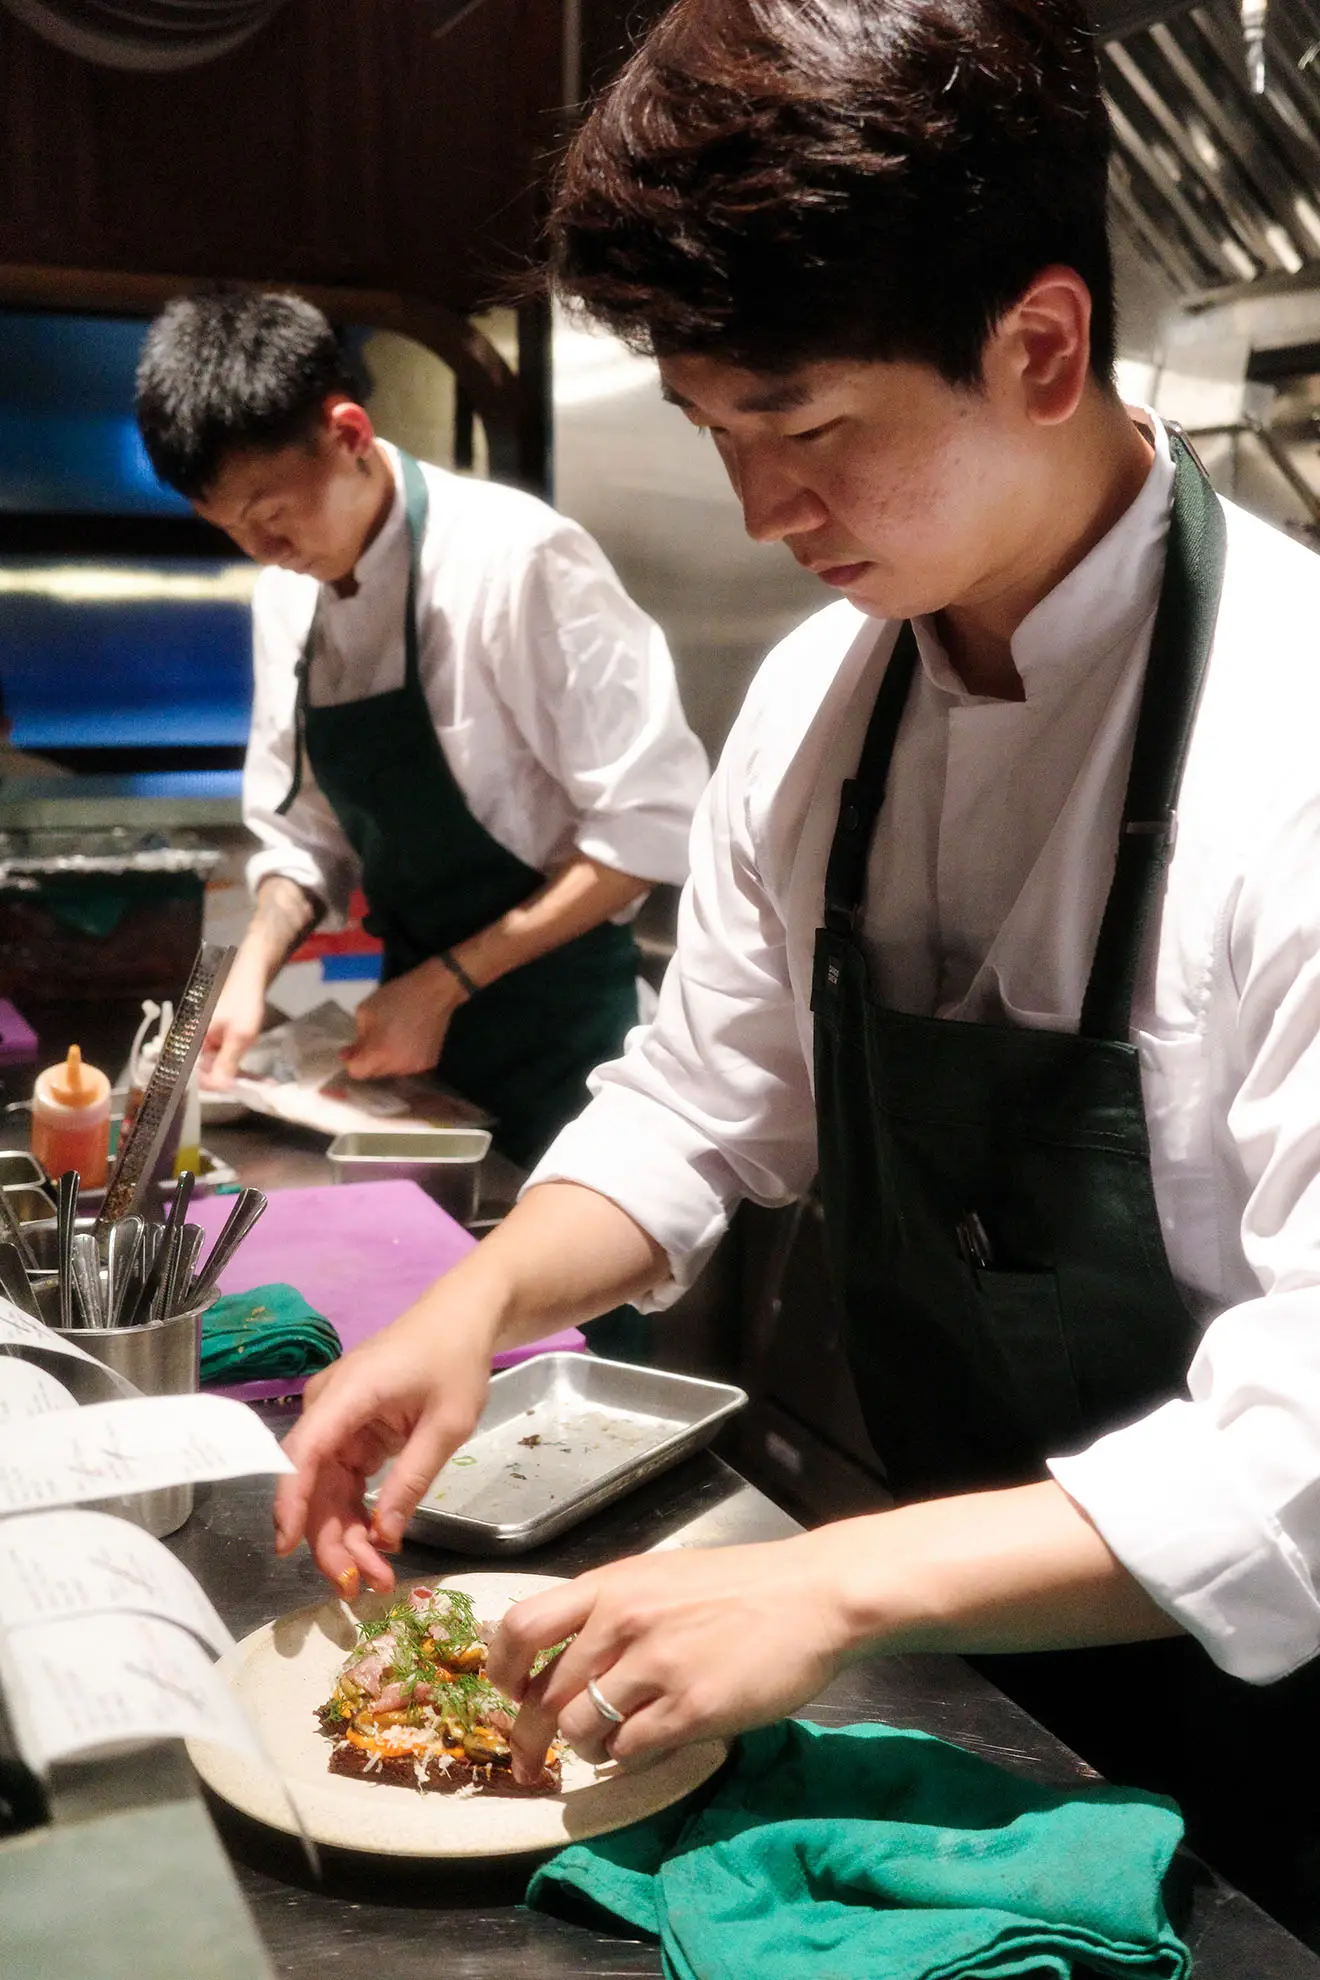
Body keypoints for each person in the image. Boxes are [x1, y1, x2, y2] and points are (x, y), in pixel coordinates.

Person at [272, 0, 1320, 1939]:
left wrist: (829, 1582)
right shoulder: (822, 704)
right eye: (716, 436)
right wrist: (478, 1301)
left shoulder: (1296, 742)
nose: (763, 511)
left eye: (809, 426)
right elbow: (706, 1097)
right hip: (979, 1676)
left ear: (1041, 347)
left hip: (1282, 1724)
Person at [135, 293, 708, 1167]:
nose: (264, 551)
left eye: (273, 515)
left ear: (349, 433)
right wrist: (247, 975)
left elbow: (649, 830)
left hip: (567, 1042)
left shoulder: (516, 560)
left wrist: (445, 985)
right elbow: (307, 840)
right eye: (232, 531)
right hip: (405, 1040)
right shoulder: (287, 599)